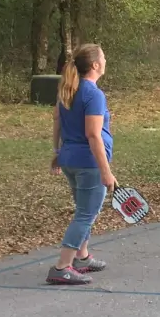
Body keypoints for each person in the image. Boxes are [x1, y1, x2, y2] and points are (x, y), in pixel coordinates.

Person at [48, 44, 116, 286]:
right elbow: (93, 135)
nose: (106, 60)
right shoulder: (93, 94)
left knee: (84, 209)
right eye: (104, 57)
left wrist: (57, 151)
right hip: (89, 163)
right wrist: (106, 172)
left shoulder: (69, 89)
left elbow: (57, 120)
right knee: (86, 213)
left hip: (70, 159)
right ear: (95, 65)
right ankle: (62, 266)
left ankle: (82, 257)